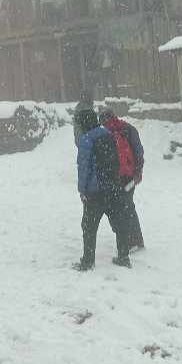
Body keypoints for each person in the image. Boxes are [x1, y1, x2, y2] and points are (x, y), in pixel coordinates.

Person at [74, 109, 131, 271]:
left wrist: (82, 190)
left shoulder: (86, 139)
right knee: (119, 222)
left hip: (95, 191)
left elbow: (84, 168)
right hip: (113, 187)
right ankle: (123, 256)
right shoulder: (108, 133)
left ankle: (88, 261)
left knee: (89, 226)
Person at [99, 107, 145, 252]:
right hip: (130, 176)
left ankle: (130, 242)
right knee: (128, 206)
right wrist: (138, 171)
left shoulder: (106, 133)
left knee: (122, 208)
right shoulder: (128, 129)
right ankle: (136, 240)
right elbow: (138, 151)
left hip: (118, 177)